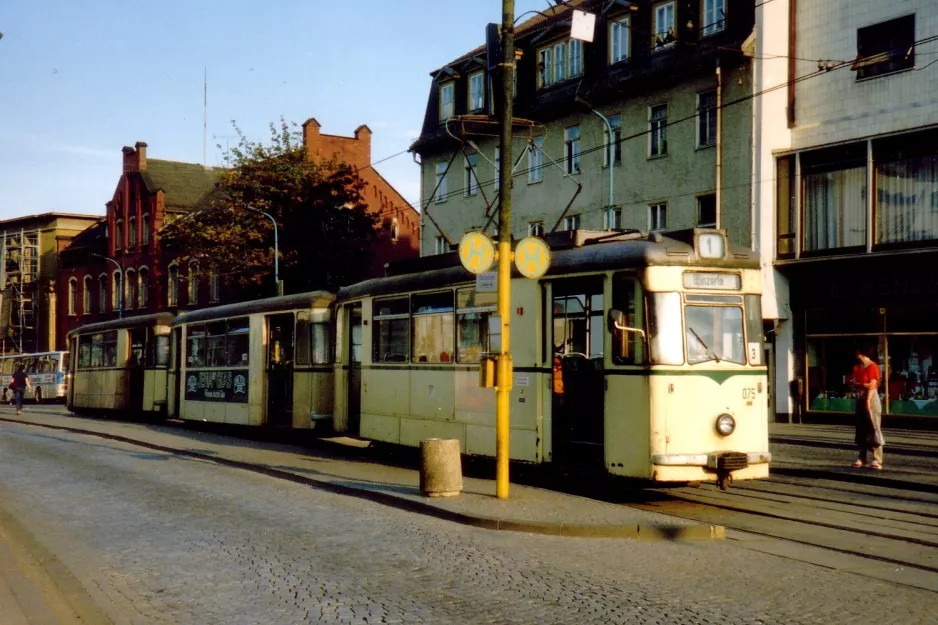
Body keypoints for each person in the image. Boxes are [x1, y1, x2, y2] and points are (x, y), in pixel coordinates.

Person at [852, 345, 884, 470]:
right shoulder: (856, 367)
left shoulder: (873, 366)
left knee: (874, 427)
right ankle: (862, 457)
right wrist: (860, 385)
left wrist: (868, 400)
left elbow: (873, 385)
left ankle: (877, 459)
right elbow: (855, 382)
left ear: (862, 353)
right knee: (860, 428)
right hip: (860, 397)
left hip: (871, 398)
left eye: (858, 352)